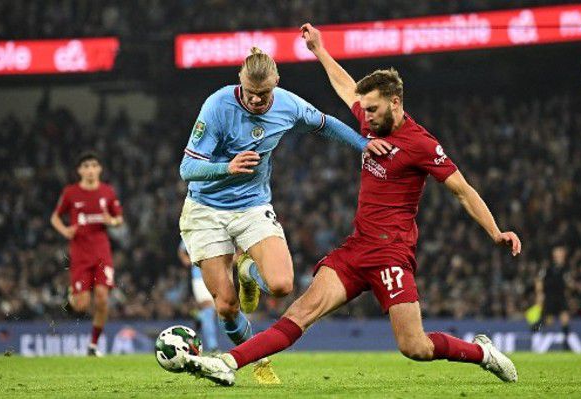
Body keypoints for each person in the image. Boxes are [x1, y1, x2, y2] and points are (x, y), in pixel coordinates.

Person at [185, 23, 522, 386]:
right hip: (356, 249)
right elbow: (347, 87)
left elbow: (462, 190)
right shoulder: (372, 124)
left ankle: (483, 352)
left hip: (391, 254)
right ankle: (228, 363)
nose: (366, 117)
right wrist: (319, 50)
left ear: (395, 103)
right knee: (300, 311)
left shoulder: (421, 144)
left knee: (415, 346)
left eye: (373, 109)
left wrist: (495, 231)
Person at [178, 46, 391, 383]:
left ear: (276, 82)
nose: (257, 101)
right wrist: (226, 168)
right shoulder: (218, 105)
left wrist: (364, 145)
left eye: (264, 94)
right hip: (206, 210)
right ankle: (258, 362)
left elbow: (326, 124)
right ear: (240, 81)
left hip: (251, 206)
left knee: (281, 285)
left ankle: (246, 270)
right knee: (226, 306)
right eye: (250, 93)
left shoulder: (289, 105)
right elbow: (187, 168)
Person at [50, 151, 123, 357]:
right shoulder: (71, 192)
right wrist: (65, 231)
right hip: (80, 254)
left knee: (101, 299)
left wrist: (112, 221)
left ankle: (93, 345)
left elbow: (119, 218)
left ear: (99, 169)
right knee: (81, 306)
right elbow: (55, 217)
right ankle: (71, 295)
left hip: (102, 253)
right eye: (86, 166)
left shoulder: (107, 192)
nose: (90, 169)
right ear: (79, 170)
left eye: (94, 165)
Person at [178, 240, 219, 352]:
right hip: (200, 276)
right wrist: (185, 259)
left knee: (218, 311)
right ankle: (213, 347)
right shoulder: (195, 229)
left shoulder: (219, 228)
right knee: (209, 309)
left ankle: (198, 317)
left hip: (218, 276)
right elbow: (181, 250)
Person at [535, 245, 572, 350]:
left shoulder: (566, 268)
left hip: (560, 296)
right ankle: (537, 325)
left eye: (561, 254)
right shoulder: (548, 268)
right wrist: (539, 293)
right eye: (557, 254)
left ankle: (566, 344)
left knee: (565, 318)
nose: (559, 256)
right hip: (549, 296)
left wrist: (571, 286)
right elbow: (539, 279)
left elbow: (569, 283)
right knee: (548, 321)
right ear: (554, 256)